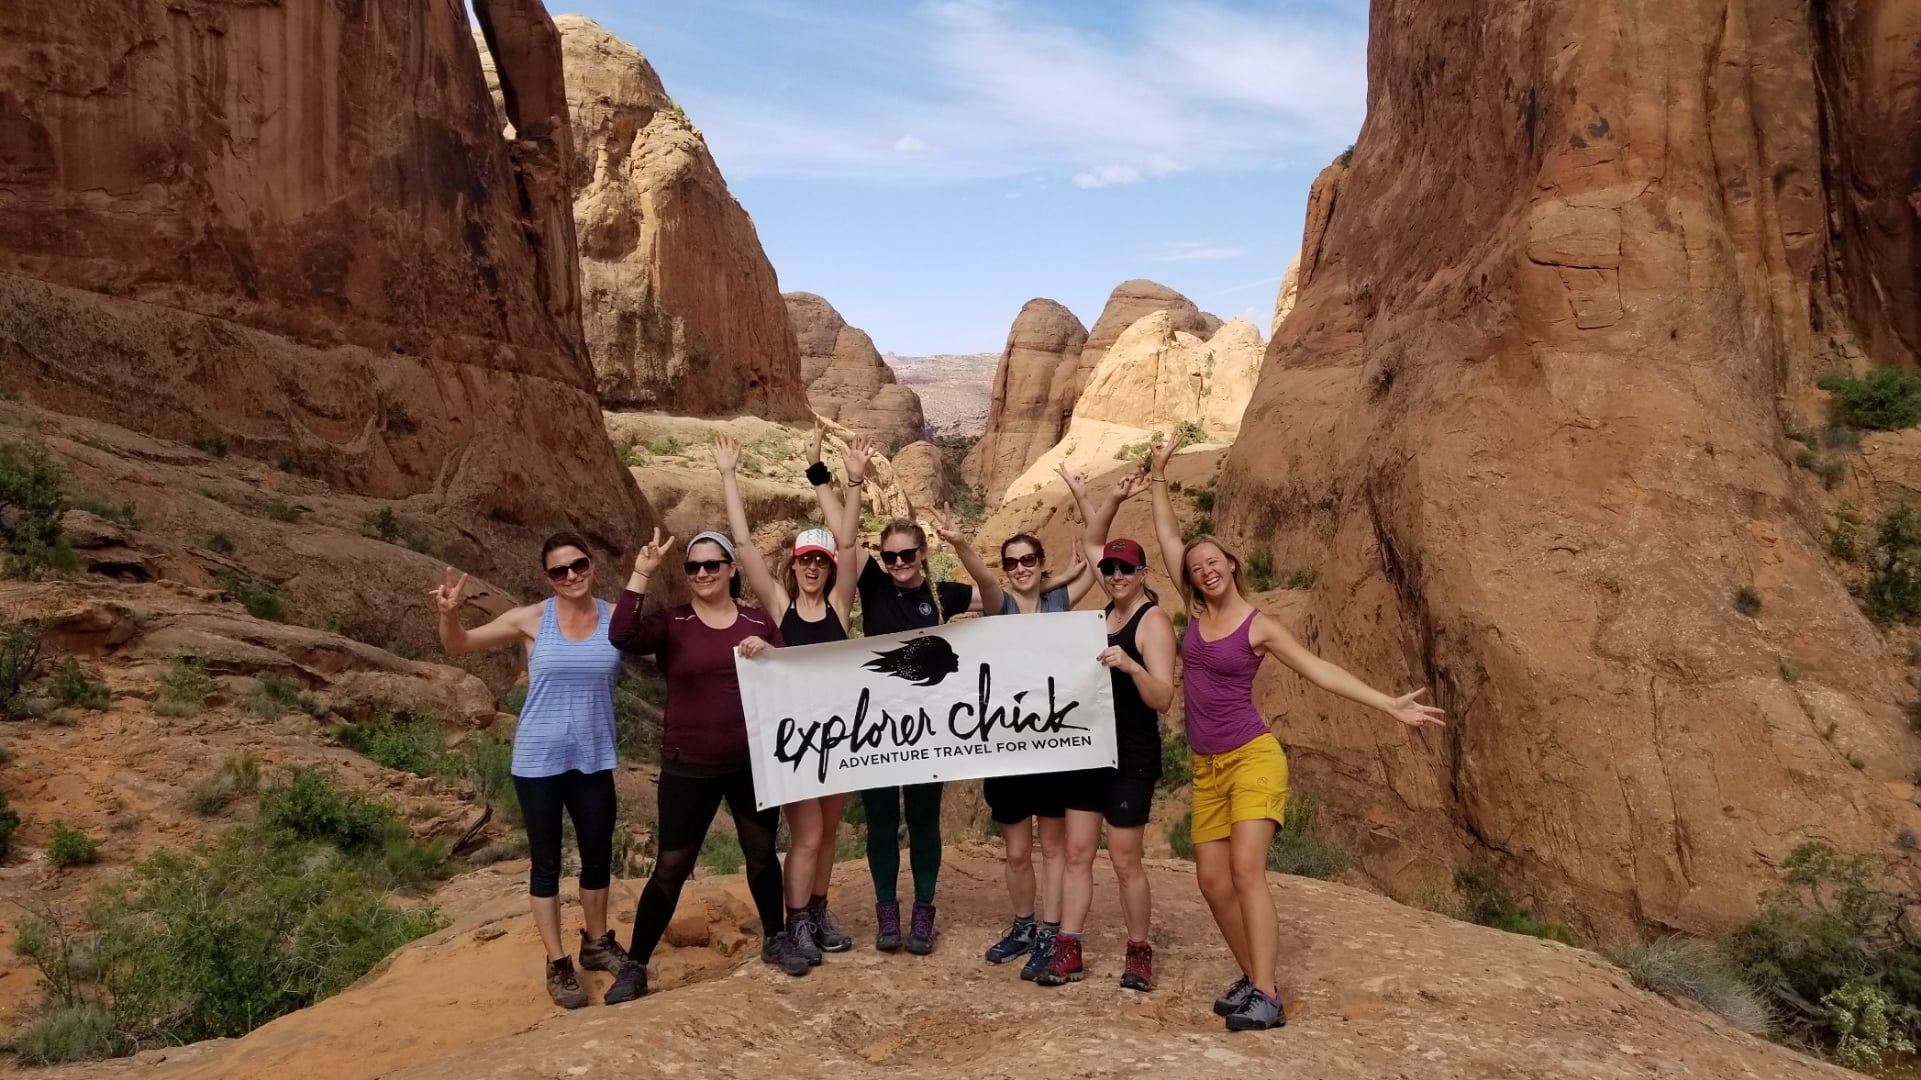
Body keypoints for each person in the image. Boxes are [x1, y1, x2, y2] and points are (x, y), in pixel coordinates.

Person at [1143, 437, 1445, 1030]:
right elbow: (1169, 539)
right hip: (1206, 765)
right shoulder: (1196, 611)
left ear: (1232, 564)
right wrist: (1157, 476)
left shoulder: (1259, 626)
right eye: (1197, 568)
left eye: (1215, 562)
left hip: (1253, 758)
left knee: (1245, 872)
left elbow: (1319, 670)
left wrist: (1387, 703)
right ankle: (1254, 976)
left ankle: (1267, 995)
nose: (1205, 570)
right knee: (1210, 881)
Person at [815, 441, 1004, 955]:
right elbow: (845, 539)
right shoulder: (873, 584)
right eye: (891, 555)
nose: (898, 562)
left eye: (907, 554)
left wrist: (963, 546)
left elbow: (993, 601)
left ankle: (923, 911)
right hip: (876, 726)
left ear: (922, 554)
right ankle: (886, 913)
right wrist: (838, 479)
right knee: (880, 821)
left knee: (921, 820)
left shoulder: (943, 594)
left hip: (928, 728)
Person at [429, 534, 626, 1010]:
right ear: (548, 578)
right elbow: (459, 645)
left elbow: (672, 646)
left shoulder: (618, 615)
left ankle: (596, 944)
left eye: (577, 565)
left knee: (598, 856)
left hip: (594, 755)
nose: (571, 576)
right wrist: (449, 613)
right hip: (539, 760)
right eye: (559, 571)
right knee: (547, 863)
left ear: (591, 564)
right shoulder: (531, 618)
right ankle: (558, 961)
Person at [602, 527, 797, 1005]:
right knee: (671, 864)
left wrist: (772, 654)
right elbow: (622, 635)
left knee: (761, 852)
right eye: (694, 567)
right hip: (687, 764)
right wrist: (641, 573)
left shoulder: (755, 621)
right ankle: (635, 965)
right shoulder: (673, 621)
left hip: (749, 762)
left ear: (731, 570)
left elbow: (791, 677)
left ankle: (776, 937)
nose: (703, 573)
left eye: (713, 564)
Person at [712, 431, 864, 964]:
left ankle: (817, 914)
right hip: (799, 742)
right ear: (794, 565)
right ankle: (796, 921)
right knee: (806, 834)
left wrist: (850, 480)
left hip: (842, 737)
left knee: (828, 834)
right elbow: (746, 547)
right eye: (806, 561)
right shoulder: (782, 608)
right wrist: (729, 475)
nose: (815, 568)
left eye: (820, 562)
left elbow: (849, 545)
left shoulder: (841, 606)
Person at [1027, 469, 1175, 991]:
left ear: (1142, 572)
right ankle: (1069, 947)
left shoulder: (1151, 621)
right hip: (1088, 747)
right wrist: (1107, 497)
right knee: (1075, 853)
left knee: (1126, 859)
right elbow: (1091, 541)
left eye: (1124, 568)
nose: (1113, 574)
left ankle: (1139, 951)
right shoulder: (1106, 614)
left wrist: (1132, 668)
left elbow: (1164, 696)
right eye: (1109, 568)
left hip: (1131, 753)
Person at [980, 527, 1096, 980]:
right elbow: (983, 581)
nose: (1020, 568)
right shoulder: (1000, 606)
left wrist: (1090, 501)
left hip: (1052, 745)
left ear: (1040, 563)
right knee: (1015, 851)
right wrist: (958, 542)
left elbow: (1093, 559)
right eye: (1011, 562)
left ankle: (1050, 931)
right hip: (1007, 746)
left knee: (1052, 847)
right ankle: (1024, 925)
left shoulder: (1059, 603)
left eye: (1028, 560)